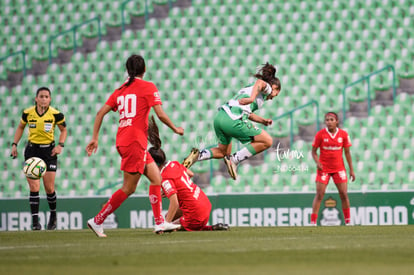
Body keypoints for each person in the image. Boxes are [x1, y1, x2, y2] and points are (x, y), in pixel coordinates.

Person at [85, 54, 184, 237]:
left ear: (128, 70)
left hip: (126, 140)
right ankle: (97, 220)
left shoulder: (120, 90)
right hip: (134, 142)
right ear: (144, 69)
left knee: (156, 179)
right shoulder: (148, 87)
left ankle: (160, 223)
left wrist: (95, 137)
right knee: (128, 188)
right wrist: (175, 128)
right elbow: (160, 115)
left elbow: (100, 113)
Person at [182, 62, 281, 180]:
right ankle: (235, 159)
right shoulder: (267, 88)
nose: (273, 97)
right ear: (274, 87)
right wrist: (251, 98)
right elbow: (261, 83)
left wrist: (262, 121)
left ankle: (198, 156)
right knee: (267, 141)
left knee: (223, 152)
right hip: (233, 120)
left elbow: (247, 112)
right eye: (276, 93)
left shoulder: (250, 87)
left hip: (220, 117)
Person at [147, 117, 229, 231]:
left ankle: (208, 228)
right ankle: (213, 227)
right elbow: (190, 174)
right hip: (204, 202)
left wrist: (165, 225)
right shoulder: (174, 164)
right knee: (168, 218)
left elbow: (174, 203)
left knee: (169, 227)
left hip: (196, 212)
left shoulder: (164, 177)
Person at [11, 87, 67, 230]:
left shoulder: (56, 114)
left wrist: (60, 145)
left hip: (49, 152)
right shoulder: (27, 113)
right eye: (41, 96)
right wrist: (14, 145)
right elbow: (20, 127)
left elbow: (64, 130)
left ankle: (53, 216)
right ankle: (35, 223)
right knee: (34, 187)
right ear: (36, 99)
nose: (43, 99)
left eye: (46, 96)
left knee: (49, 188)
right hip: (32, 151)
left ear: (50, 99)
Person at [310, 112, 355, 226]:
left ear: (337, 121)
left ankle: (348, 221)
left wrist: (351, 170)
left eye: (331, 120)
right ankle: (313, 222)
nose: (329, 122)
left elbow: (347, 152)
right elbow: (314, 152)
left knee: (344, 194)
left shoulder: (343, 135)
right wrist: (318, 162)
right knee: (320, 194)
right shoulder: (320, 134)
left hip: (339, 168)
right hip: (324, 168)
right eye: (327, 120)